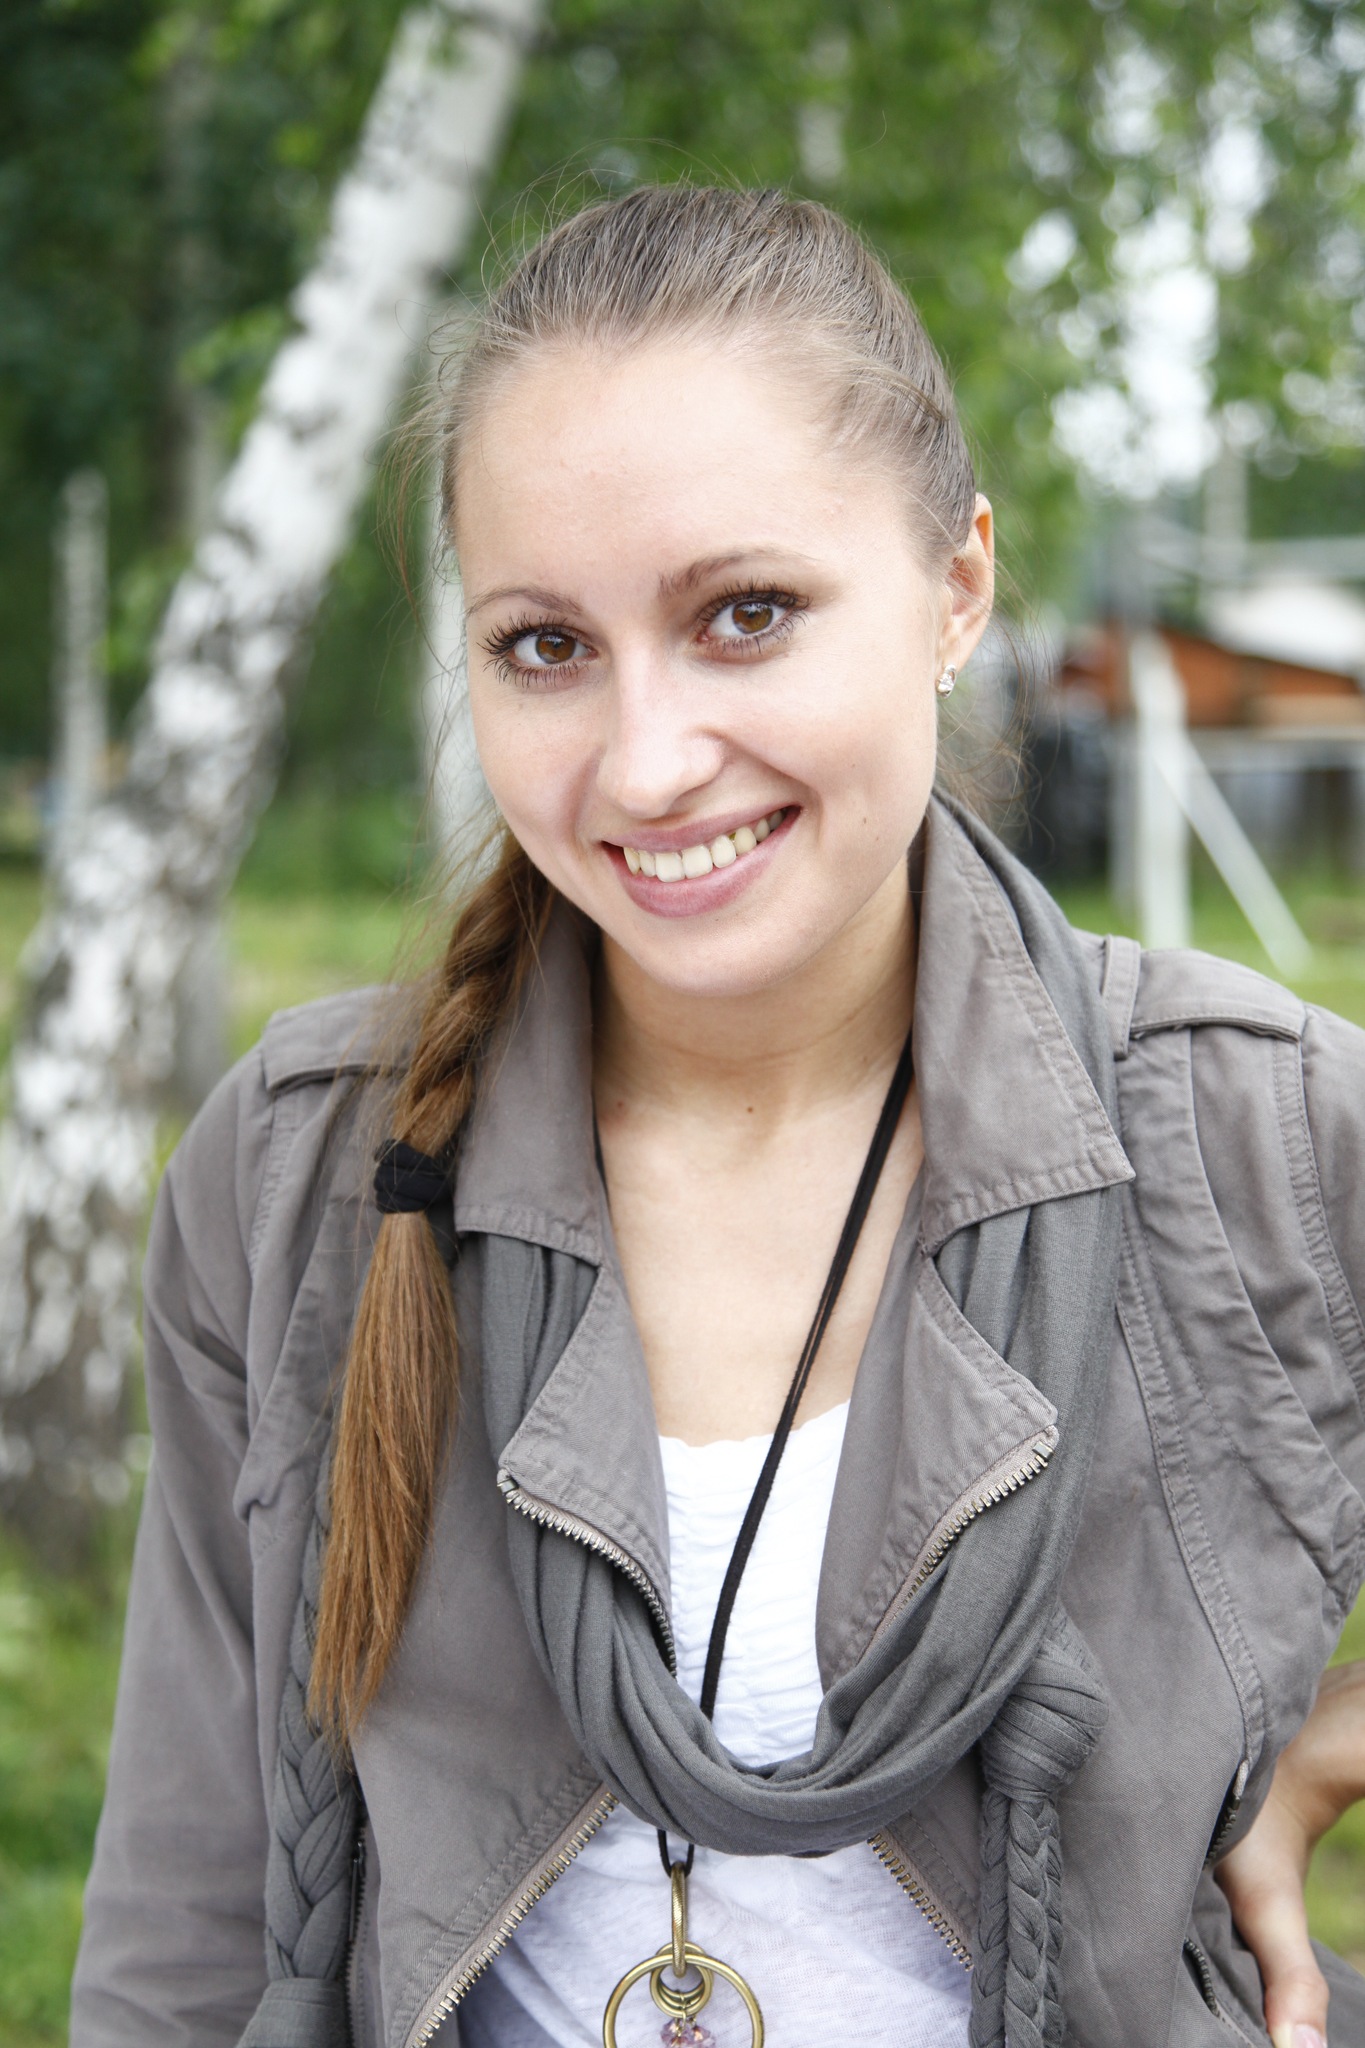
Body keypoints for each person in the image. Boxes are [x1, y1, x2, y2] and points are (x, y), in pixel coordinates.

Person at [70, 185, 1365, 2048]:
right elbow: (184, 1935)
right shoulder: (303, 1176)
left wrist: (1321, 1759)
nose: (647, 759)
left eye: (743, 616)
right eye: (545, 646)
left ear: (956, 589)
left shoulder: (1261, 1138)